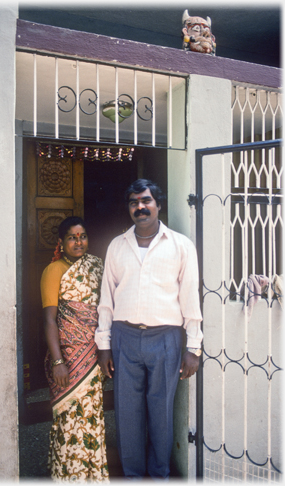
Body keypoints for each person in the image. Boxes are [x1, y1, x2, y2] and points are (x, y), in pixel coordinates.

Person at [95, 179, 203, 480]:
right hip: (124, 338)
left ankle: (159, 475)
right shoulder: (118, 245)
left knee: (161, 413)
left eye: (145, 201)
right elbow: (108, 298)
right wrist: (104, 344)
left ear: (158, 204)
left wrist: (193, 348)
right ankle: (132, 475)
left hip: (166, 340)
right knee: (127, 414)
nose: (139, 207)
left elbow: (190, 297)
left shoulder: (181, 246)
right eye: (133, 202)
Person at [40, 216, 109, 482]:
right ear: (61, 241)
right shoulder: (53, 270)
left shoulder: (95, 266)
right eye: (72, 237)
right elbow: (49, 319)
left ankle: (92, 473)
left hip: (93, 356)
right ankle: (68, 474)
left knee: (91, 415)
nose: (78, 242)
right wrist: (58, 361)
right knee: (69, 419)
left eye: (82, 236)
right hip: (68, 357)